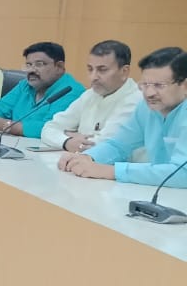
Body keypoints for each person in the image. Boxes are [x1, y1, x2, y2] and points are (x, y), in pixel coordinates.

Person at [58, 47, 187, 187]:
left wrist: (111, 171)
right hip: (161, 191)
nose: (149, 93)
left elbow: (183, 173)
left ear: (185, 86)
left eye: (159, 86)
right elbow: (118, 145)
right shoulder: (146, 108)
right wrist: (87, 157)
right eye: (145, 85)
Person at [39, 40, 141, 154]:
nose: (93, 77)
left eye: (102, 70)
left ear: (124, 72)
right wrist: (66, 141)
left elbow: (104, 146)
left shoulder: (136, 100)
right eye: (90, 69)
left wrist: (69, 135)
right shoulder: (90, 94)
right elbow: (48, 128)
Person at [0, 42, 83, 138]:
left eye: (39, 64)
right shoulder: (25, 85)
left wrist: (4, 125)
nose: (31, 70)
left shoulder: (72, 92)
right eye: (28, 65)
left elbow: (50, 129)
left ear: (59, 67)